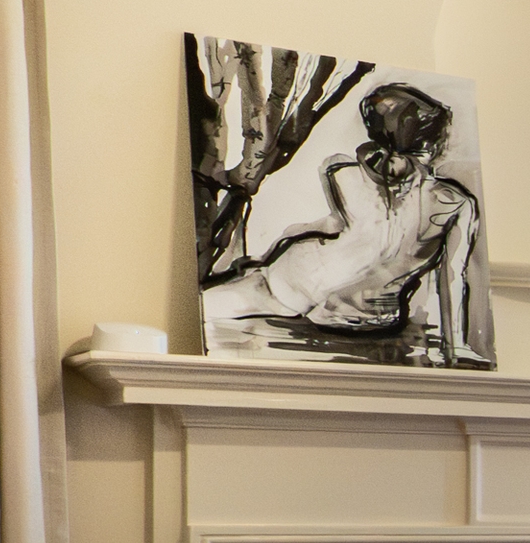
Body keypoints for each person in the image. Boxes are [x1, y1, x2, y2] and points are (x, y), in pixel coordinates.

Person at [203, 81, 487, 366]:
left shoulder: (342, 171)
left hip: (292, 288)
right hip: (336, 301)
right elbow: (452, 277)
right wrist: (457, 349)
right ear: (434, 142)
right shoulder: (456, 201)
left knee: (197, 307)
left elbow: (352, 233)